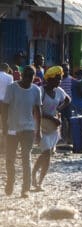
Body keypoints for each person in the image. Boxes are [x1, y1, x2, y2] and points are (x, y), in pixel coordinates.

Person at [2, 66, 42, 198]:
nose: (28, 79)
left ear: (33, 77)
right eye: (26, 75)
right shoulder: (12, 88)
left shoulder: (36, 90)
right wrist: (4, 128)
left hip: (28, 129)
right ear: (21, 75)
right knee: (10, 158)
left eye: (31, 76)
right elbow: (5, 108)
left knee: (26, 158)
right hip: (12, 128)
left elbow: (38, 111)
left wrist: (38, 130)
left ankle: (25, 189)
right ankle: (10, 181)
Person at [32, 66, 70, 191]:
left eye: (60, 79)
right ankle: (36, 179)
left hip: (53, 128)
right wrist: (51, 117)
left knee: (46, 155)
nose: (59, 81)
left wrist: (58, 110)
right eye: (57, 79)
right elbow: (35, 111)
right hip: (41, 126)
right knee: (46, 153)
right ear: (49, 79)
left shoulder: (59, 91)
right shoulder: (40, 91)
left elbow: (68, 100)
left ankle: (37, 178)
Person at [59, 63, 73, 143]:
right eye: (64, 70)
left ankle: (70, 138)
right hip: (59, 103)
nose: (65, 71)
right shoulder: (58, 80)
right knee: (59, 121)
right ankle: (61, 138)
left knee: (70, 121)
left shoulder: (71, 80)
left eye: (67, 70)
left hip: (68, 104)